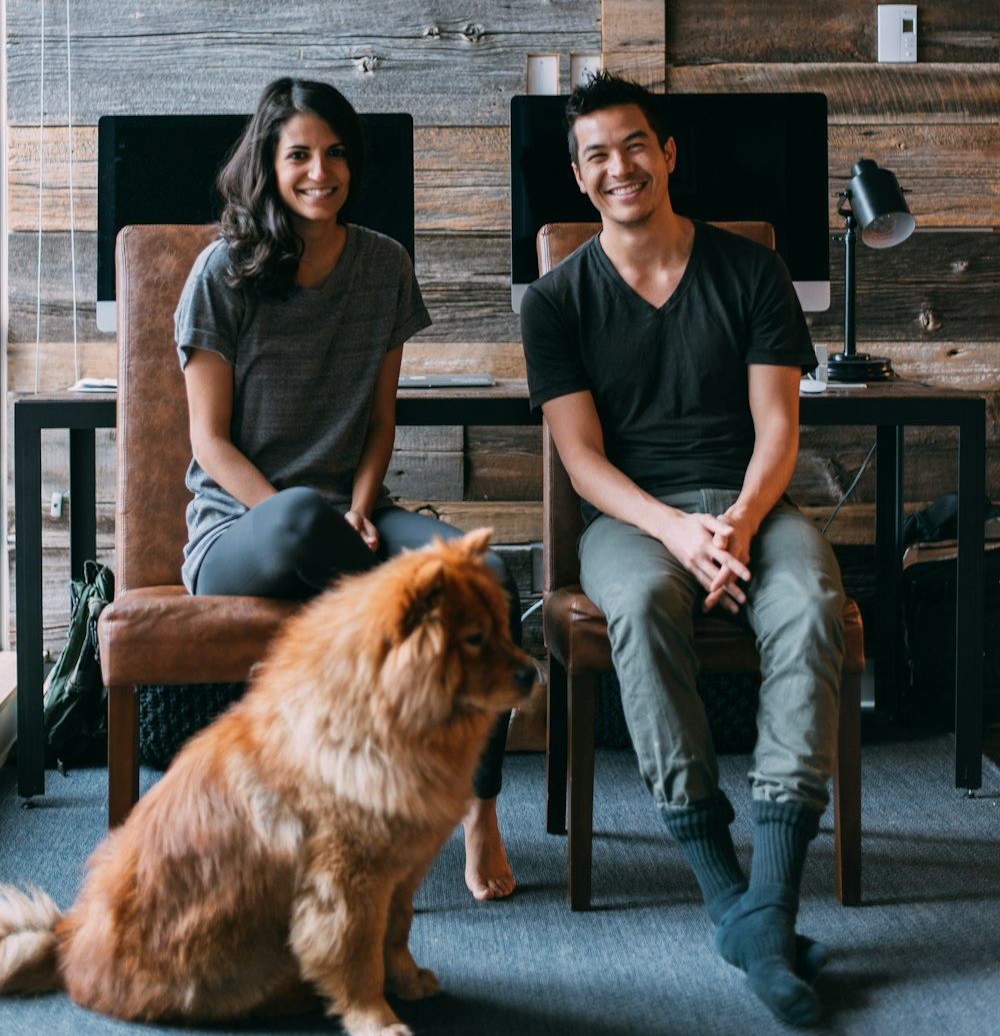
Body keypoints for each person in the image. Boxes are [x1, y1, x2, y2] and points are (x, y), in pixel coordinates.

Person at [519, 72, 845, 1026]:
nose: (618, 167)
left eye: (634, 146)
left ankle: (768, 912)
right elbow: (581, 462)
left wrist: (737, 523)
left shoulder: (750, 271)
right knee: (645, 604)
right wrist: (674, 530)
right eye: (596, 156)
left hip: (750, 505)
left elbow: (777, 429)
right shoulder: (554, 301)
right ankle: (722, 895)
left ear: (667, 154)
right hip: (631, 521)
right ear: (581, 180)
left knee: (814, 606)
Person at [174, 76, 520, 901]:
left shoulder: (383, 265)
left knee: (485, 584)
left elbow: (379, 420)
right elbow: (209, 442)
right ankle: (393, 622)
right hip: (242, 531)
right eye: (299, 155)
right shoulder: (219, 272)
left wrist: (364, 505)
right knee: (299, 520)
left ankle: (477, 807)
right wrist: (318, 516)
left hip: (350, 521)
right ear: (269, 164)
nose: (319, 172)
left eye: (334, 155)